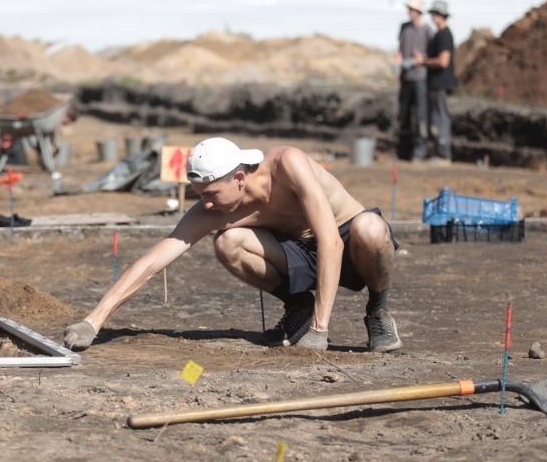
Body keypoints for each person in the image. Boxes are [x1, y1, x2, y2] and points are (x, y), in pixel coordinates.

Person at [63, 137, 401, 353]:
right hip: (296, 251)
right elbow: (153, 261)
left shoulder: (288, 164)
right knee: (228, 242)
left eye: (211, 194)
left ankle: (378, 311)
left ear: (239, 178)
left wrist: (320, 330)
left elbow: (330, 241)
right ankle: (297, 305)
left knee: (370, 227)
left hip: (345, 239)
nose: (205, 205)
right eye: (200, 197)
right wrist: (93, 321)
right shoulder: (214, 209)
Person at [393, 0, 432, 162]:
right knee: (404, 115)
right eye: (409, 9)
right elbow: (400, 50)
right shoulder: (404, 28)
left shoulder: (428, 31)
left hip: (420, 78)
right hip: (406, 77)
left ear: (419, 11)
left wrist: (419, 60)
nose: (410, 12)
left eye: (413, 9)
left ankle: (419, 150)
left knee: (421, 115)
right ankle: (403, 150)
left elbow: (430, 56)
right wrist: (397, 61)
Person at [416, 0, 455, 164]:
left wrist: (424, 62)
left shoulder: (445, 35)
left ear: (443, 16)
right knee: (436, 118)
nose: (433, 16)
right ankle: (439, 151)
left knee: (441, 118)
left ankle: (444, 154)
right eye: (433, 13)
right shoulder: (437, 34)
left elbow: (443, 61)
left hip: (441, 83)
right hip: (433, 83)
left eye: (436, 14)